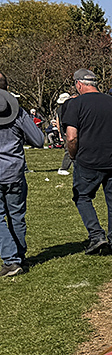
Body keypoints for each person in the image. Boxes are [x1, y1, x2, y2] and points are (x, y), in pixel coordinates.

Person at [61, 68, 112, 255]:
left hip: (88, 161)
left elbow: (71, 137)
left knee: (82, 197)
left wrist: (72, 155)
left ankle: (96, 236)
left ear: (79, 84)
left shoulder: (75, 104)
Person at [0, 81, 45, 276]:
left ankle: (11, 260)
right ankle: (18, 256)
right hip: (14, 172)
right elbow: (38, 140)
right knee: (16, 216)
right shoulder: (18, 113)